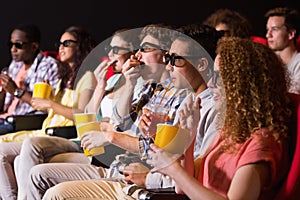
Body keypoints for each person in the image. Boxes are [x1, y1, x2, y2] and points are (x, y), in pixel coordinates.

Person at [28, 24, 222, 200]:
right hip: (125, 167)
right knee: (36, 169)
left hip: (144, 179)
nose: (137, 55)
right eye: (168, 58)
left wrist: (114, 138)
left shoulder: (198, 103)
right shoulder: (156, 89)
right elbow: (124, 123)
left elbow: (192, 172)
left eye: (145, 49)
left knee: (52, 187)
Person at [145, 37, 291, 199]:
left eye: (219, 77)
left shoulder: (261, 142)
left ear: (242, 85)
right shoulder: (229, 131)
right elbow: (183, 188)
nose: (211, 83)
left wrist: (174, 169)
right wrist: (189, 135)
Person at [0, 26, 98, 200]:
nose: (61, 47)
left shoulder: (88, 76)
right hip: (47, 131)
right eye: (60, 43)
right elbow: (42, 106)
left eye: (67, 43)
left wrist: (50, 102)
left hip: (67, 135)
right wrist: (43, 95)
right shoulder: (63, 77)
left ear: (81, 46)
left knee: (29, 145)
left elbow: (80, 116)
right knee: (1, 149)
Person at [0, 24, 59, 134]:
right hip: (5, 119)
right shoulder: (15, 65)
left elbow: (48, 108)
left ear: (34, 46)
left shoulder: (50, 66)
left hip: (24, 123)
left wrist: (17, 91)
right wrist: (2, 90)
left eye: (18, 45)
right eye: (11, 44)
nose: (13, 49)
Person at [265, 6, 300, 94]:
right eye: (267, 30)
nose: (268, 35)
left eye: (274, 29)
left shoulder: (298, 63)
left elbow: (293, 96)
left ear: (291, 34)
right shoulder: (266, 62)